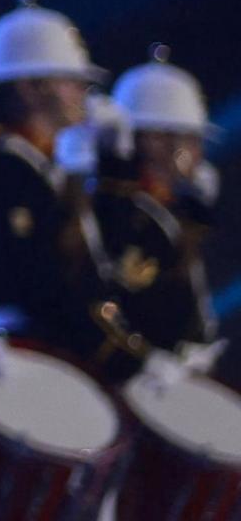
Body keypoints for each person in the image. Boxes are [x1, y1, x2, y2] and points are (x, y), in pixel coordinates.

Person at [0, 0, 138, 379]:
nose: (84, 92)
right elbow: (42, 284)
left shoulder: (44, 171)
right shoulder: (4, 170)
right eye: (71, 80)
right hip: (30, 355)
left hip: (60, 351)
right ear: (30, 88)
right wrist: (119, 358)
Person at [91, 50, 224, 376]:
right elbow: (107, 300)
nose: (200, 152)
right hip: (138, 382)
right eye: (192, 139)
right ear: (155, 140)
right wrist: (143, 359)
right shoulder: (125, 214)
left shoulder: (170, 212)